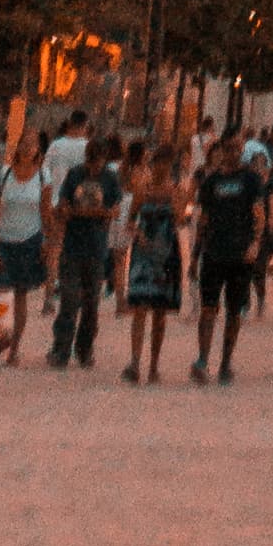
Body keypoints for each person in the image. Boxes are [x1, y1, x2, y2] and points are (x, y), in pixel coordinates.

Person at [192, 127, 268, 385]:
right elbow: (203, 220)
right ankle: (203, 358)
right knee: (208, 308)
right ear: (222, 149)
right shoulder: (211, 182)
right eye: (230, 148)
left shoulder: (251, 180)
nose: (235, 152)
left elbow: (259, 214)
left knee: (234, 311)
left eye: (238, 147)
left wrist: (255, 243)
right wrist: (195, 255)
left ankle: (225, 362)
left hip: (240, 254)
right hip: (214, 251)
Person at [49, 145, 117, 374]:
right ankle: (61, 348)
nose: (94, 168)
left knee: (91, 303)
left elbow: (114, 210)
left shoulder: (110, 178)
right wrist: (76, 212)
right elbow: (64, 205)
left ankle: (84, 348)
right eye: (91, 162)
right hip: (73, 246)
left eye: (98, 163)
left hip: (96, 248)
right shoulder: (75, 174)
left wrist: (85, 213)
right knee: (69, 300)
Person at [120, 159, 184, 385]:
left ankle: (154, 365)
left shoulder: (174, 190)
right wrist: (139, 235)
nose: (160, 170)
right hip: (143, 253)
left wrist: (172, 198)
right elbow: (130, 221)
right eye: (157, 166)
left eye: (164, 167)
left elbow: (179, 217)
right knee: (140, 307)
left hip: (165, 253)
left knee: (159, 311)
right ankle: (135, 362)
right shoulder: (142, 191)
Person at [0, 142, 49, 364]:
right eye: (24, 144)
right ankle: (4, 337)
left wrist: (46, 241)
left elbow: (45, 211)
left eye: (32, 145)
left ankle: (14, 349)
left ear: (37, 151)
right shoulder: (4, 174)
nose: (27, 149)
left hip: (30, 240)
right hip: (5, 240)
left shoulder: (43, 176)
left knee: (21, 294)